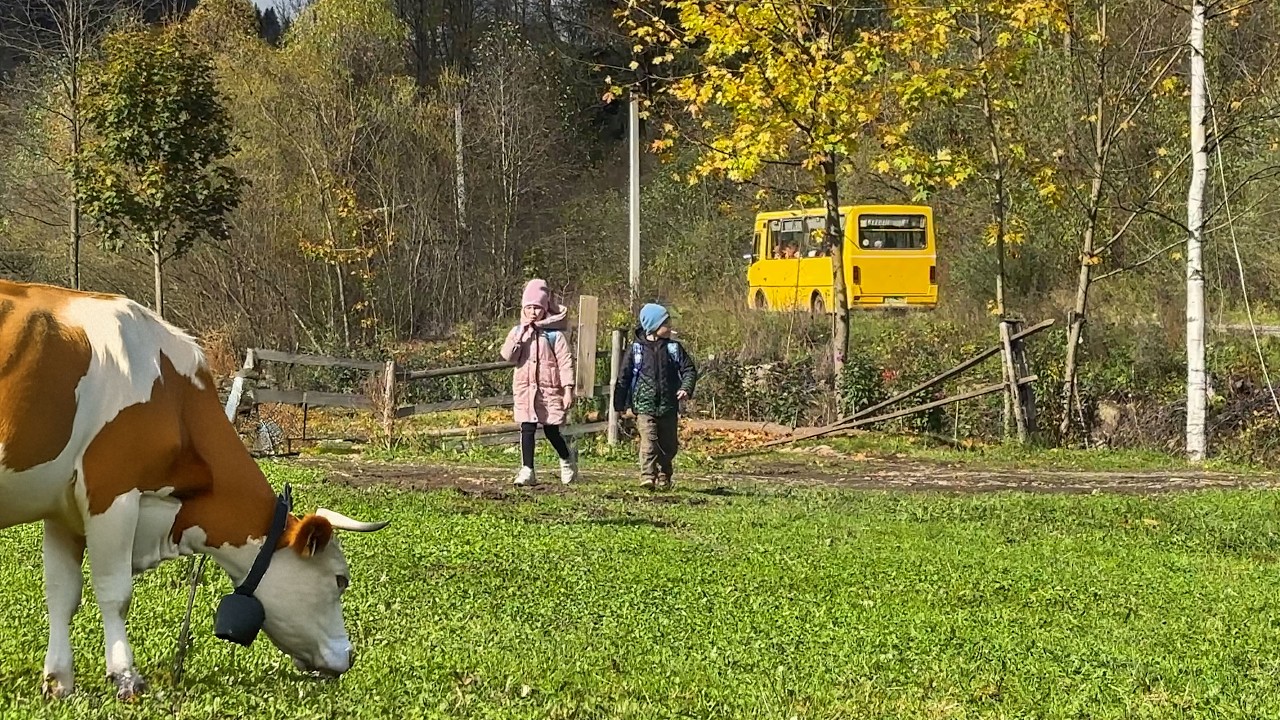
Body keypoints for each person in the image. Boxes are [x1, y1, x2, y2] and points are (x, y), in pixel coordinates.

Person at [499, 279, 578, 487]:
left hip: (549, 391)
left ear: (545, 309)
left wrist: (568, 390)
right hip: (526, 390)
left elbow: (566, 363)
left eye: (537, 308)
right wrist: (519, 337)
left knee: (552, 430)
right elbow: (508, 356)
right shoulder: (518, 332)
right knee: (527, 427)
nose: (533, 312)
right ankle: (528, 470)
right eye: (529, 307)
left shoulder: (554, 335)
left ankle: (566, 458)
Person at [612, 303, 698, 490]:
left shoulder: (674, 348)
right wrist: (620, 405)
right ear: (653, 326)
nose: (670, 326)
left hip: (668, 405)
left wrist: (686, 388)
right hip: (644, 406)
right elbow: (624, 377)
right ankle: (647, 476)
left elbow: (689, 369)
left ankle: (664, 474)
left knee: (669, 444)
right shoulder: (637, 350)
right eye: (666, 322)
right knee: (649, 441)